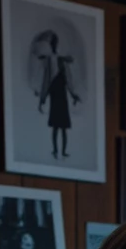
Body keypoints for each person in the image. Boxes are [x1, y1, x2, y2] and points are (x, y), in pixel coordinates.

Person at [35, 30, 79, 160]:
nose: (53, 45)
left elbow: (67, 79)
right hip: (55, 93)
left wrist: (73, 94)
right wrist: (42, 98)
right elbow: (46, 80)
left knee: (62, 127)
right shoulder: (51, 60)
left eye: (54, 43)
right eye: (52, 43)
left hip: (61, 94)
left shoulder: (60, 60)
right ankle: (55, 150)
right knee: (56, 127)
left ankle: (62, 151)